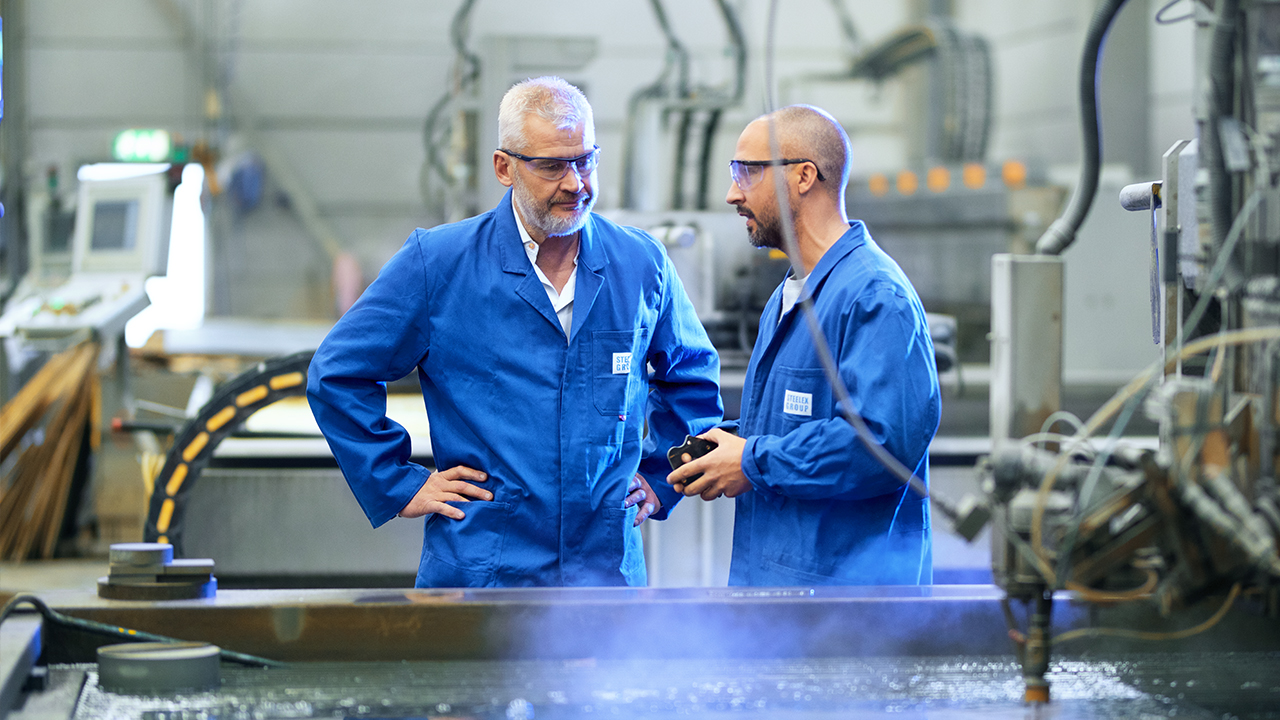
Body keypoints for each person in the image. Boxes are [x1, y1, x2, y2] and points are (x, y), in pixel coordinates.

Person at [307, 76, 722, 588]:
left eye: (585, 160)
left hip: (605, 569)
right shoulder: (439, 263)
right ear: (504, 167)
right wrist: (398, 483)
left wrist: (662, 478)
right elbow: (337, 372)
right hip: (484, 566)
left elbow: (691, 376)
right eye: (551, 166)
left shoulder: (639, 263)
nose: (575, 183)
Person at [666, 105, 940, 586]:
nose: (733, 194)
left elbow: (880, 445)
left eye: (746, 173)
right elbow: (794, 425)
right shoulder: (792, 293)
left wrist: (752, 462)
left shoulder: (874, 297)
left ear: (804, 176)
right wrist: (728, 444)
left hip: (847, 620)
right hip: (780, 606)